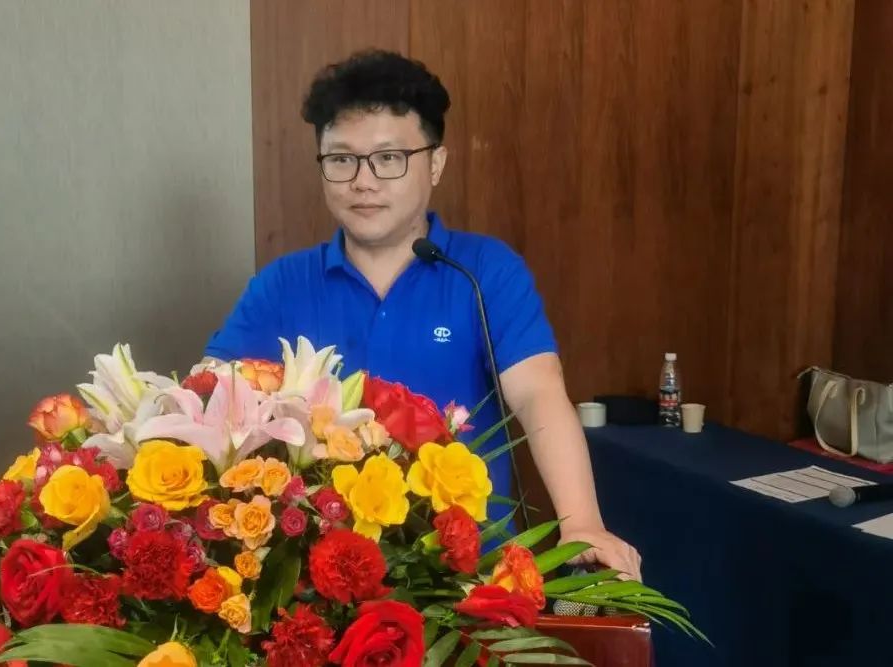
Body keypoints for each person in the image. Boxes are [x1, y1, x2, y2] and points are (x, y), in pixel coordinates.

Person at [204, 50, 641, 580]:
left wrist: (582, 523)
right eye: (341, 159)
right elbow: (213, 394)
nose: (363, 181)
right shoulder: (283, 284)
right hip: (319, 582)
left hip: (468, 578)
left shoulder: (484, 271)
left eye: (389, 158)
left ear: (435, 163)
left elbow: (537, 392)